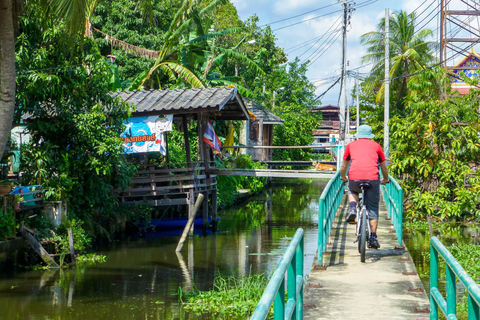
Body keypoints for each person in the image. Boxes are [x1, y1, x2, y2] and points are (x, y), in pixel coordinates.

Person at [340, 125, 389, 249]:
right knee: (372, 207)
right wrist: (386, 179)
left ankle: (352, 209)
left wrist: (344, 177)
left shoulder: (350, 146)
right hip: (372, 179)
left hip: (355, 178)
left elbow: (343, 166)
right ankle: (373, 237)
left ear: (358, 135)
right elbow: (383, 167)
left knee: (352, 190)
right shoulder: (377, 146)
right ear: (370, 135)